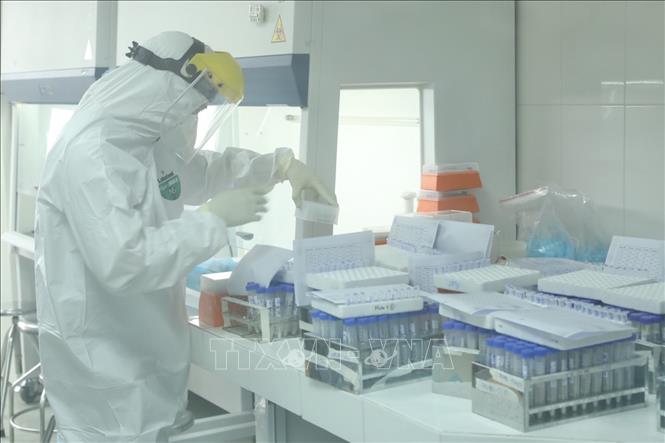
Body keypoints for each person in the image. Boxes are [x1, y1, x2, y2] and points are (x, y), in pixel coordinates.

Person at [34, 31, 336, 442]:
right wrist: (212, 220)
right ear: (165, 85)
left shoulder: (145, 141)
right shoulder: (93, 153)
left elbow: (202, 171)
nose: (194, 114)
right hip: (105, 387)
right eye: (194, 103)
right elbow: (126, 262)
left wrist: (282, 166)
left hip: (146, 368)